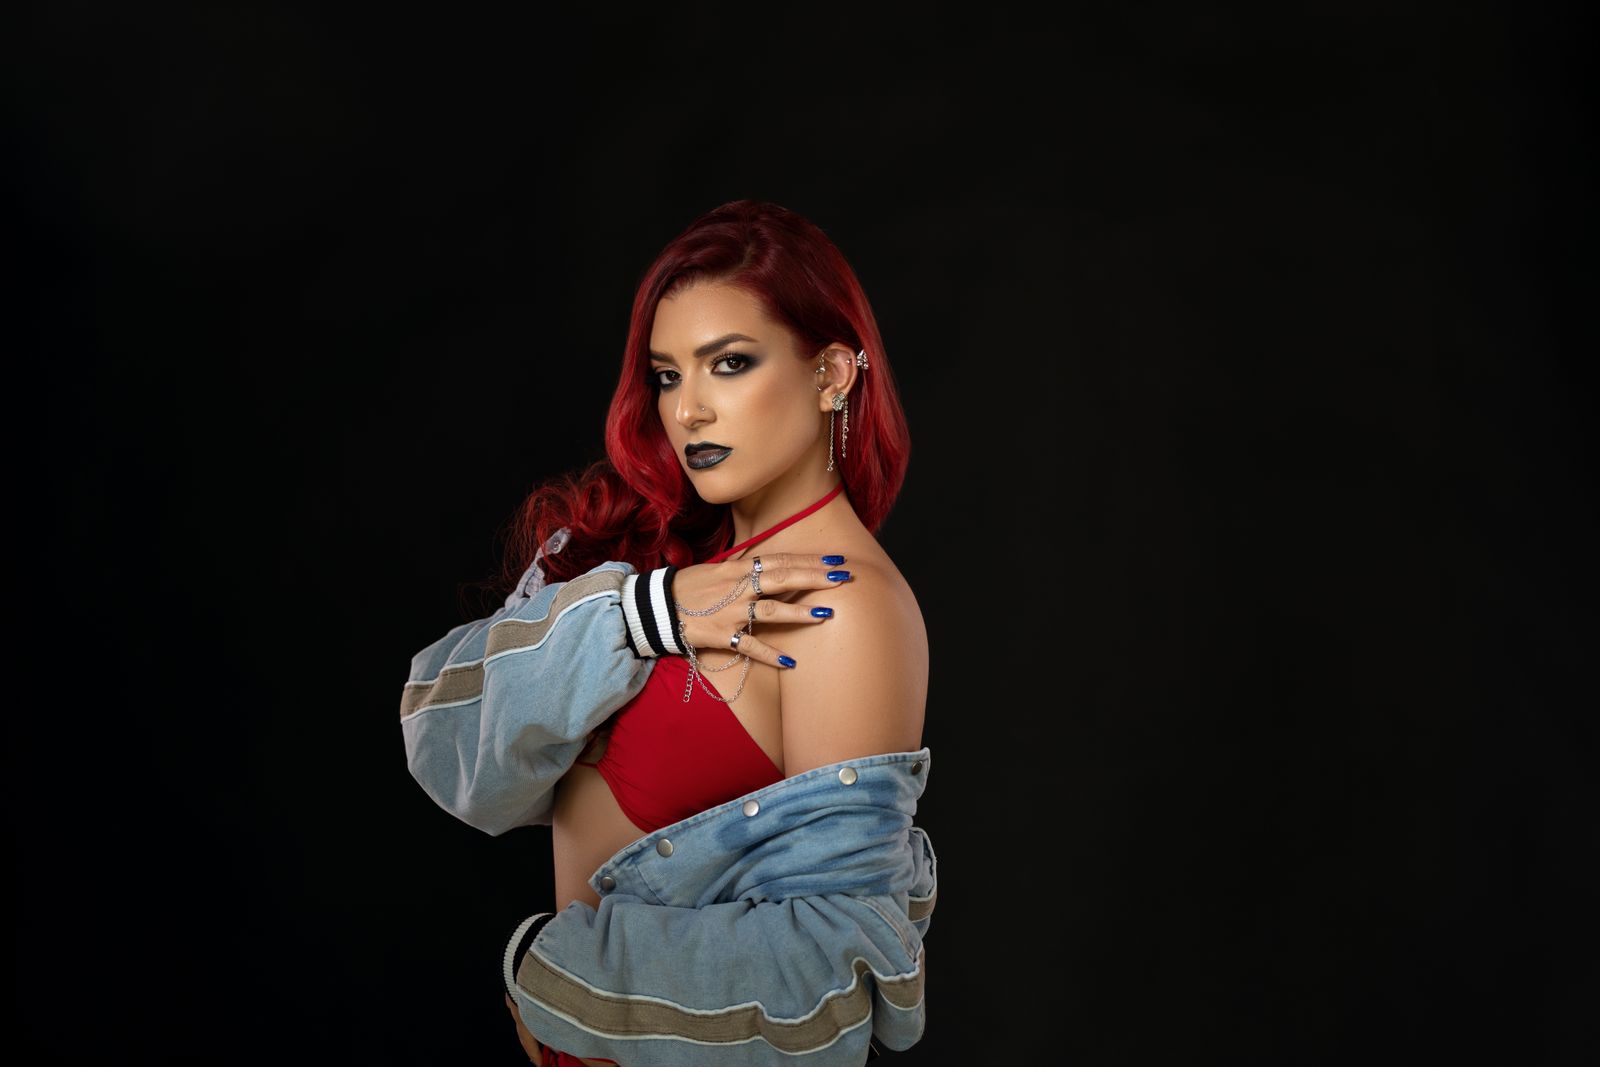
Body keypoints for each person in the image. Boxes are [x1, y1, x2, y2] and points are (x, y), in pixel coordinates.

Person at [399, 199, 936, 1066]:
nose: (688, 412)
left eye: (729, 363)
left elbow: (835, 965)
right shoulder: (669, 582)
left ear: (832, 373)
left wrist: (554, 977)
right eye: (667, 375)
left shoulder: (840, 605)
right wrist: (648, 610)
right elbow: (444, 735)